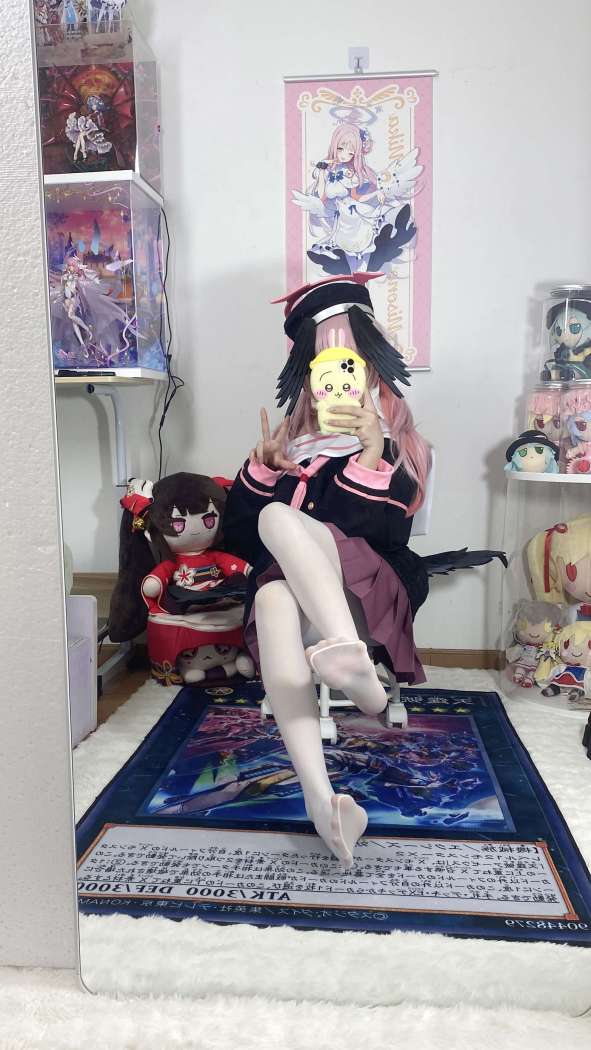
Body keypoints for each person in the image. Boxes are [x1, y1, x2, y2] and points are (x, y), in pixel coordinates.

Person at [223, 274, 431, 865]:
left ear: (371, 369)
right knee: (271, 594)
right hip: (309, 619)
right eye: (323, 371)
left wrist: (370, 454)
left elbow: (386, 538)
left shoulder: (400, 446)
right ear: (307, 379)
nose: (337, 383)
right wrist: (264, 472)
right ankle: (322, 801)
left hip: (369, 598)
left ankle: (351, 654)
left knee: (279, 522)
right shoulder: (292, 452)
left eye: (350, 366)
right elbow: (240, 542)